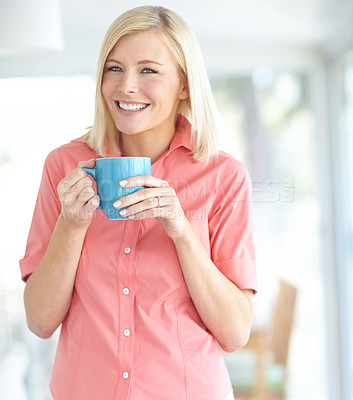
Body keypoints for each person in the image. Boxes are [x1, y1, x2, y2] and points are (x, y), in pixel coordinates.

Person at [20, 5, 257, 400]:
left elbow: (235, 333)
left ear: (183, 84)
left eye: (148, 70)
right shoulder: (64, 167)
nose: (126, 85)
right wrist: (71, 224)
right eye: (114, 68)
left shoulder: (223, 176)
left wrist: (181, 231)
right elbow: (40, 321)